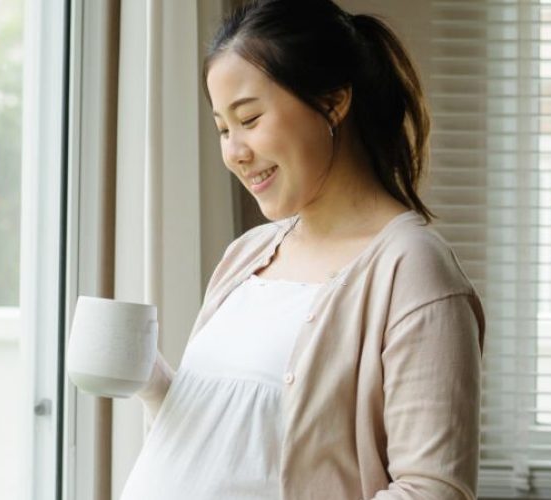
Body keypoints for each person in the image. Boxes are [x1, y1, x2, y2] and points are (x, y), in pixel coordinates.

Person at [120, 0, 485, 498]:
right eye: (223, 129)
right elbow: (231, 441)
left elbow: (432, 489)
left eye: (249, 119)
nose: (233, 152)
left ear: (333, 102)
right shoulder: (247, 255)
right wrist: (150, 380)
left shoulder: (412, 271)